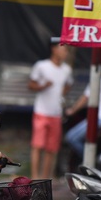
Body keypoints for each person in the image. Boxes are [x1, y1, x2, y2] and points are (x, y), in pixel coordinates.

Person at [27, 43, 73, 179]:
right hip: (41, 111)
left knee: (51, 148)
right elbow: (31, 84)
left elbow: (68, 84)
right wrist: (42, 86)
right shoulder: (42, 66)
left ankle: (44, 178)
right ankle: (35, 177)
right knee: (37, 146)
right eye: (63, 49)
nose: (65, 53)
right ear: (54, 49)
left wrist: (61, 95)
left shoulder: (66, 69)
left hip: (56, 113)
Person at [64, 59, 101, 159]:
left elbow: (84, 99)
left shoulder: (97, 81)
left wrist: (72, 111)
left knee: (71, 138)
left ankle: (89, 161)